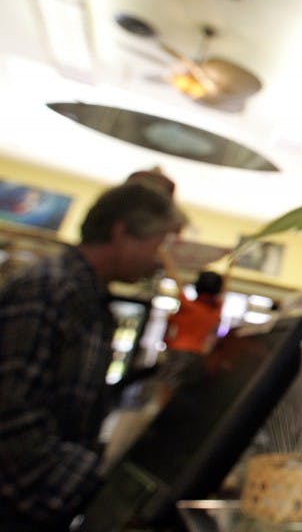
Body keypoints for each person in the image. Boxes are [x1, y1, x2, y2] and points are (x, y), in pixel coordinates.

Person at [0, 181, 186, 530]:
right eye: (160, 245)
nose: (163, 260)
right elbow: (11, 416)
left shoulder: (90, 299)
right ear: (122, 232)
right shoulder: (52, 289)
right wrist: (97, 481)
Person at [157, 248, 230, 388]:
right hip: (199, 356)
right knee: (185, 391)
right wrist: (230, 267)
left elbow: (174, 277)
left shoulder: (187, 305)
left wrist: (164, 255)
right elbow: (225, 289)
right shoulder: (215, 311)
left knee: (166, 386)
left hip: (178, 351)